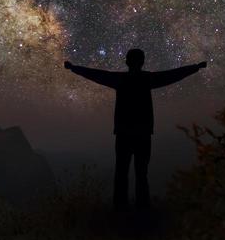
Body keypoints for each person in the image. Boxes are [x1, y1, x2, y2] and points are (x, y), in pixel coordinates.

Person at [64, 49, 207, 211]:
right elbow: (172, 75)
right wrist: (195, 67)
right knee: (141, 174)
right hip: (143, 134)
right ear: (142, 61)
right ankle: (142, 210)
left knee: (122, 174)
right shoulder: (147, 79)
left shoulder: (120, 79)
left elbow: (97, 75)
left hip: (124, 133)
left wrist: (74, 68)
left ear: (127, 62)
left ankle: (120, 210)